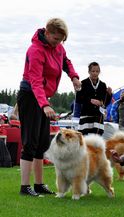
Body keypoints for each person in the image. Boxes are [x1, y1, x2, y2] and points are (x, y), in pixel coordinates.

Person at [17, 18, 81, 197]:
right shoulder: (35, 50)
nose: (58, 43)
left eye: (61, 40)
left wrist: (74, 77)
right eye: (55, 39)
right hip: (30, 96)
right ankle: (24, 187)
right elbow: (35, 81)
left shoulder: (58, 48)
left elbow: (66, 62)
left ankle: (38, 184)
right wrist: (44, 104)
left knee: (43, 143)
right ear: (47, 33)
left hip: (43, 97)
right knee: (30, 142)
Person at [76, 62, 112, 135]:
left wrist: (109, 94)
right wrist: (90, 100)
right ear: (89, 72)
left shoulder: (102, 85)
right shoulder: (83, 83)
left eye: (97, 71)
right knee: (84, 139)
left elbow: (105, 103)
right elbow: (78, 99)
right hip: (86, 115)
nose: (95, 73)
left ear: (99, 72)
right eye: (93, 71)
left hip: (98, 116)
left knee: (97, 139)